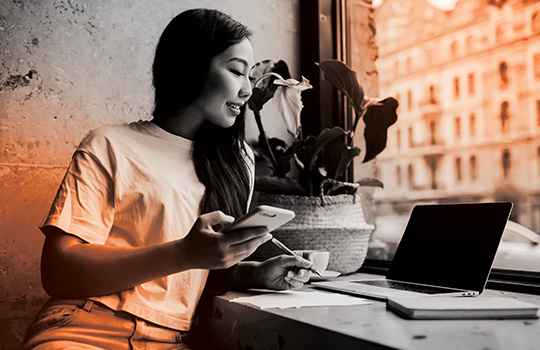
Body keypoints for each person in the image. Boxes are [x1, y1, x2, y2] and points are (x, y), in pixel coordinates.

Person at [20, 8, 313, 350]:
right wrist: (184, 253)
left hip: (170, 341)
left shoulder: (238, 164)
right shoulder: (110, 144)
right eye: (236, 71)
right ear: (191, 65)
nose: (247, 90)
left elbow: (191, 276)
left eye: (250, 77)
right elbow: (58, 271)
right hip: (84, 328)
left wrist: (252, 272)